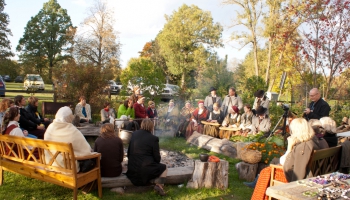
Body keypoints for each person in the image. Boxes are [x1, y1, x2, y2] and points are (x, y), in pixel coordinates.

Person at [249, 118, 323, 200]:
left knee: (265, 172)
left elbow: (297, 173)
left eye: (292, 131)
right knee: (270, 166)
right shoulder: (312, 141)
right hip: (310, 174)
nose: (290, 133)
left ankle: (259, 197)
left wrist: (289, 147)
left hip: (294, 178)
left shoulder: (303, 147)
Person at [44, 106, 93, 172]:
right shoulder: (72, 130)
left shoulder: (50, 128)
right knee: (93, 159)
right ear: (69, 117)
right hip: (68, 167)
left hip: (50, 162)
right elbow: (87, 150)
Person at [126, 119, 167, 196]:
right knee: (164, 167)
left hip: (132, 169)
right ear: (151, 127)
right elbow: (157, 158)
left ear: (142, 125)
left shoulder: (134, 134)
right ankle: (159, 185)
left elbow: (128, 152)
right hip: (145, 169)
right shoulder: (153, 138)